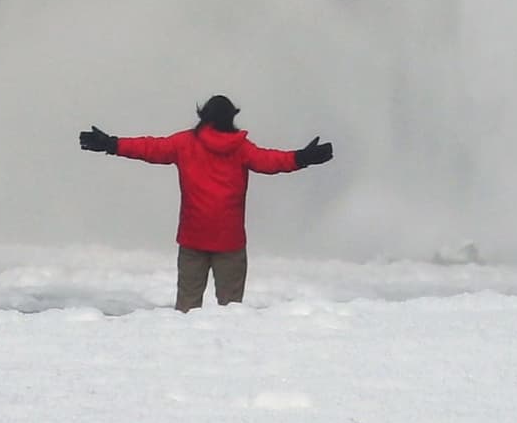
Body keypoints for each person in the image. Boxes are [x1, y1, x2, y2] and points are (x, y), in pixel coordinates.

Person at [78, 95, 336, 310]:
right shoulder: (241, 148)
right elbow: (272, 162)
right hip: (230, 242)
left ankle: (186, 361)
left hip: (192, 239)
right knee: (232, 309)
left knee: (187, 309)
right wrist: (304, 157)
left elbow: (148, 148)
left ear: (203, 116)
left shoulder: (184, 144)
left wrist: (111, 144)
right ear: (232, 118)